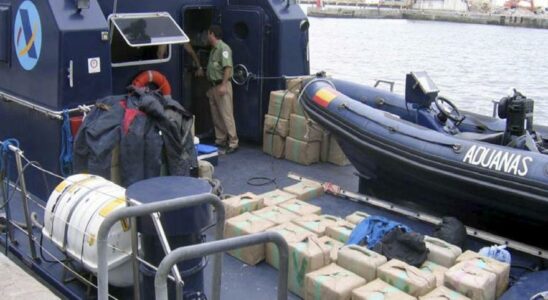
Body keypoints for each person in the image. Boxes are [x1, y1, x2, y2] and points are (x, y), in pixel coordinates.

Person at [206, 24, 238, 153]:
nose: (207, 36)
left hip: (222, 85)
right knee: (217, 115)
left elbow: (228, 67)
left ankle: (233, 142)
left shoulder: (223, 49)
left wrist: (224, 85)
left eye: (208, 34)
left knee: (226, 114)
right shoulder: (213, 49)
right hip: (214, 86)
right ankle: (220, 139)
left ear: (212, 34)